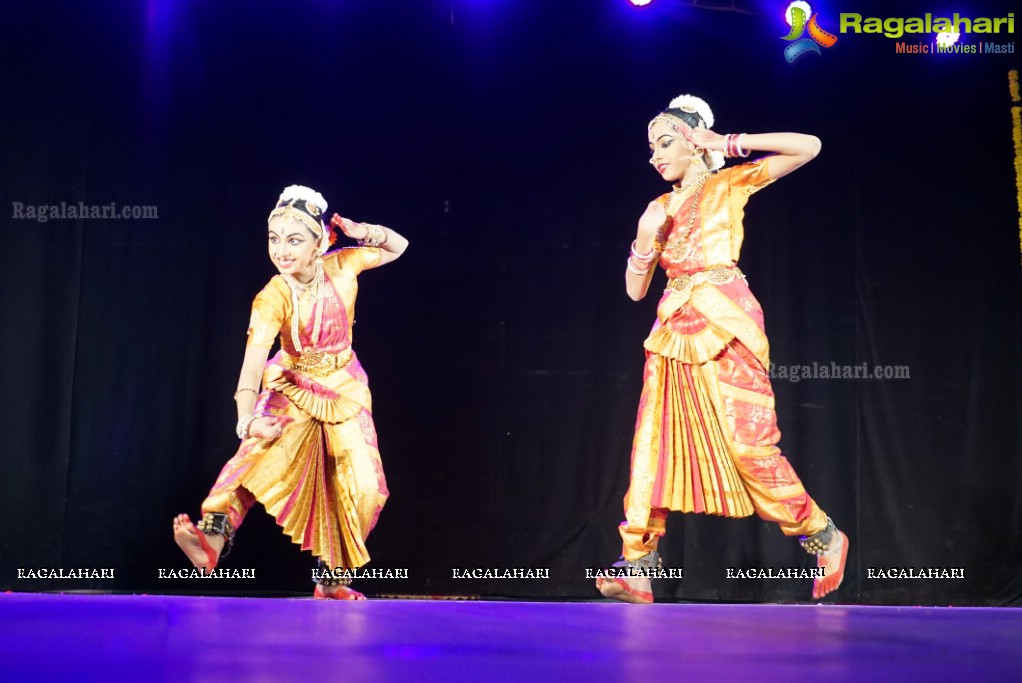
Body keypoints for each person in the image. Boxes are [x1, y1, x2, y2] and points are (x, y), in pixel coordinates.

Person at [596, 94, 848, 603]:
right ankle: (638, 564)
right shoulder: (658, 209)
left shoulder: (728, 184)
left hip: (725, 317)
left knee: (749, 444)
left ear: (693, 141)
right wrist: (645, 240)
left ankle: (822, 534)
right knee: (652, 444)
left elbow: (810, 147)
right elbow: (633, 291)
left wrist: (730, 144)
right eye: (650, 148)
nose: (655, 156)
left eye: (665, 142)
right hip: (672, 327)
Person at [173, 185, 408, 599]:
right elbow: (250, 371)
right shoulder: (273, 296)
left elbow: (398, 246)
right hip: (293, 383)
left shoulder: (344, 266)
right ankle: (211, 541)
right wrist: (248, 422)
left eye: (294, 240)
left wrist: (361, 230)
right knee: (256, 457)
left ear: (320, 243)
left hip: (343, 386)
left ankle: (331, 579)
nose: (281, 250)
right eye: (274, 239)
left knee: (367, 487)